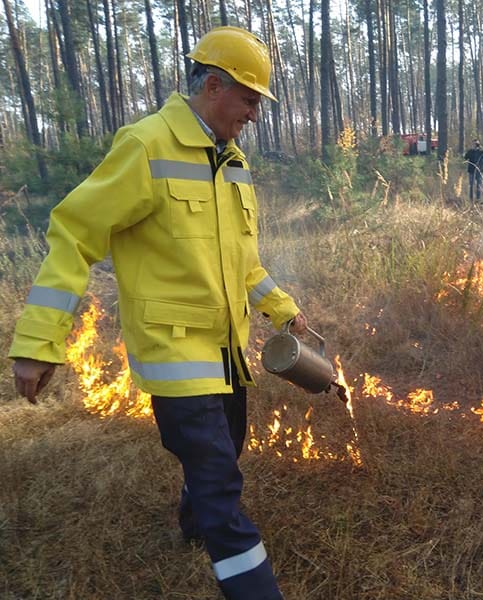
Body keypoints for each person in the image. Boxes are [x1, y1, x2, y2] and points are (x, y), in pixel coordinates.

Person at [9, 26, 303, 600]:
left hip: (227, 354)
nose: (254, 115)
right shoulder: (145, 146)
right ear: (214, 86)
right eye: (249, 100)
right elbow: (75, 236)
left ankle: (194, 528)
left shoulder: (234, 164)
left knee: (224, 454)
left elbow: (243, 263)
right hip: (175, 357)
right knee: (221, 485)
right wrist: (37, 343)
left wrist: (283, 311)